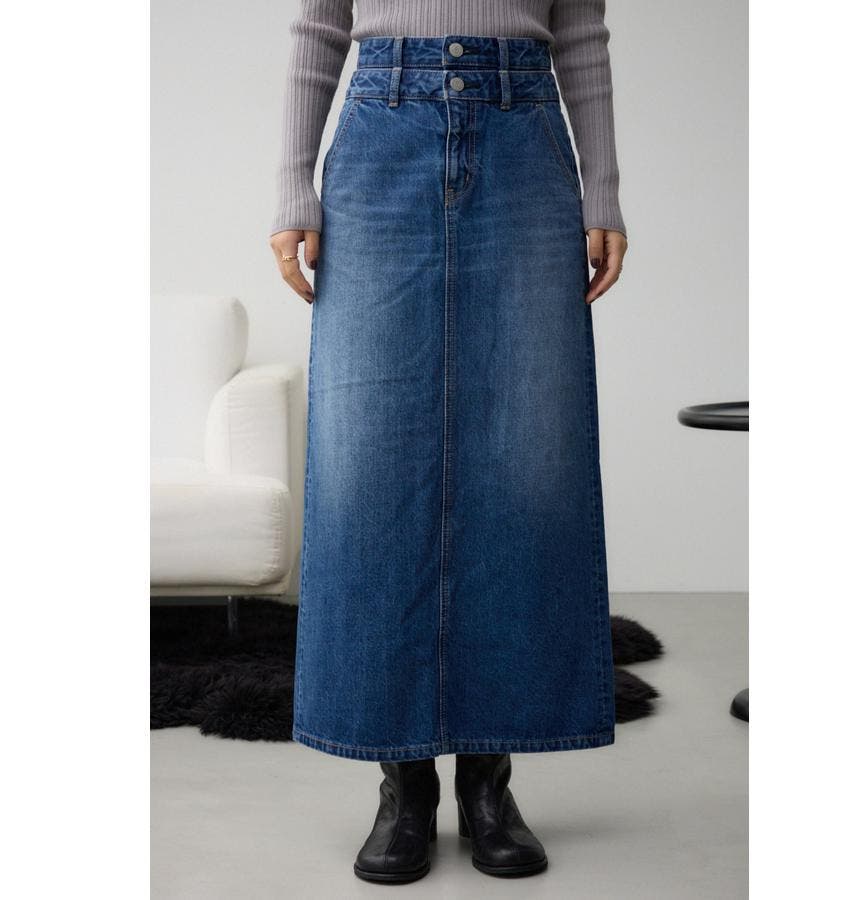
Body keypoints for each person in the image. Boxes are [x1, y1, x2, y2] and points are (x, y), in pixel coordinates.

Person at [268, 1, 627, 884]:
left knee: (525, 452)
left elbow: (581, 30)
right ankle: (403, 784)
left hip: (525, 137)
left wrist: (604, 188)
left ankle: (488, 781)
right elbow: (319, 26)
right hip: (380, 134)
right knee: (371, 462)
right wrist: (292, 185)